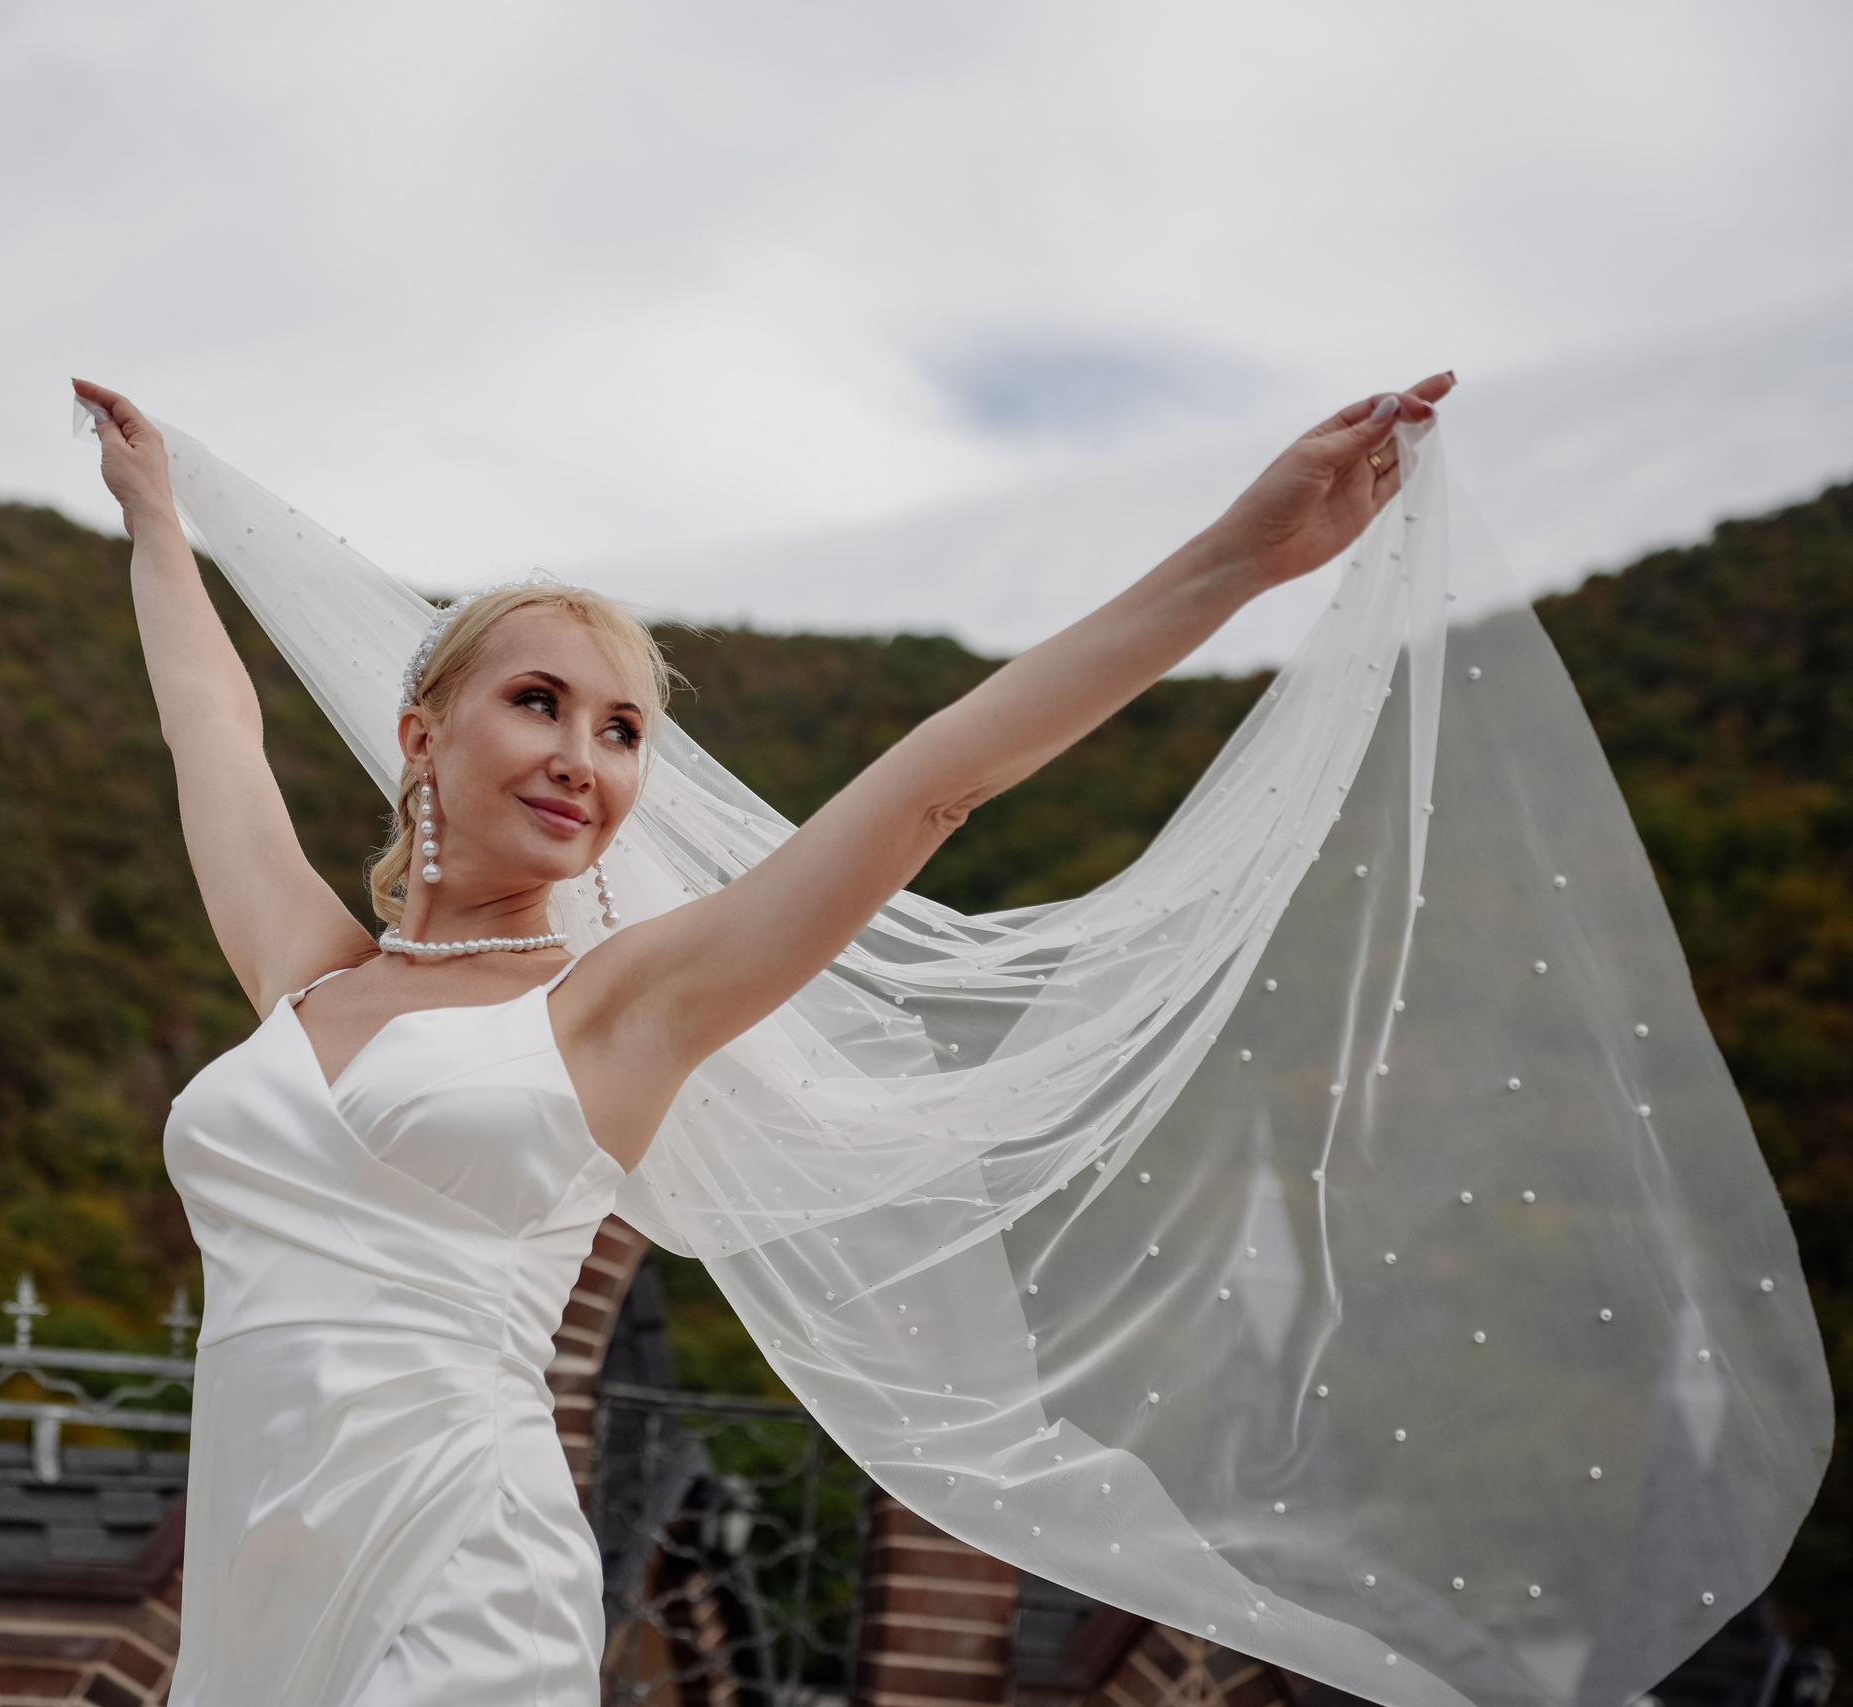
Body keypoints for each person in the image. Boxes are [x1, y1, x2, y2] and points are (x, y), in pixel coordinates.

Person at [75, 372, 1452, 1705]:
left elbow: (933, 788)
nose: (583, 757)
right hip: (259, 1577)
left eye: (622, 734)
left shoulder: (619, 1006)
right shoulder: (308, 977)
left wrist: (1236, 558)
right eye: (538, 702)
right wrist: (155, 518)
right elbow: (213, 732)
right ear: (418, 737)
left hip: (460, 1565)